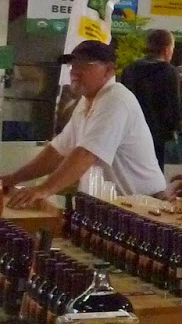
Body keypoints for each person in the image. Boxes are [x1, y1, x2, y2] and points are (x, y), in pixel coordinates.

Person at [1, 40, 166, 206]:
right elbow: (57, 152)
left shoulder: (116, 100)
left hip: (143, 208)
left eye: (84, 65)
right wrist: (11, 179)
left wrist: (43, 190)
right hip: (111, 209)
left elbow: (86, 154)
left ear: (108, 70)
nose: (74, 72)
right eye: (73, 65)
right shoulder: (87, 101)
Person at [118, 27, 182, 168]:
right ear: (166, 50)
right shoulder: (170, 72)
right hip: (160, 142)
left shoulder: (129, 70)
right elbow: (176, 111)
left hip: (131, 138)